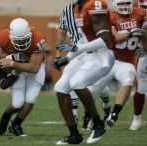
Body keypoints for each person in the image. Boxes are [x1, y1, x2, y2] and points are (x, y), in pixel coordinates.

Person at [54, 0, 115, 144]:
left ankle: (98, 124)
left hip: (102, 55)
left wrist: (75, 49)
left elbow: (105, 40)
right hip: (84, 55)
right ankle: (75, 135)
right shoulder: (76, 9)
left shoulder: (96, 4)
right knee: (60, 88)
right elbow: (80, 43)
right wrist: (67, 58)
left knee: (77, 82)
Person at [89, 0, 147, 128]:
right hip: (110, 60)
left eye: (127, 3)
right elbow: (114, 38)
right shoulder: (110, 16)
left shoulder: (139, 13)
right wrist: (131, 33)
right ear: (115, 5)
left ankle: (113, 115)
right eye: (121, 4)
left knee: (128, 81)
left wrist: (143, 45)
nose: (125, 6)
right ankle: (90, 117)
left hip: (129, 61)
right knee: (93, 90)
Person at [0, 18, 46, 137]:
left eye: (24, 39)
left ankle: (16, 125)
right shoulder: (3, 37)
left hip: (33, 66)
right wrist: (11, 68)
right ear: (11, 36)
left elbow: (34, 68)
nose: (21, 42)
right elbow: (2, 64)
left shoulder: (38, 38)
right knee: (18, 103)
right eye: (18, 40)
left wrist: (13, 63)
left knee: (31, 98)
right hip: (17, 70)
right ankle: (6, 116)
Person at [129, 0, 147, 131]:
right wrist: (138, 47)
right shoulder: (135, 13)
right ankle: (137, 118)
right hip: (144, 54)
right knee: (141, 87)